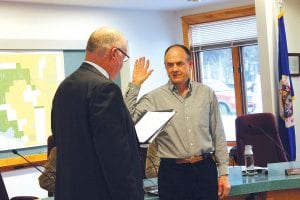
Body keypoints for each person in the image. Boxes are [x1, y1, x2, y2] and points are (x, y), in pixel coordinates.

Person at [125, 44, 231, 200]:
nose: (174, 68)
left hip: (204, 169)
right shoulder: (154, 97)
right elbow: (127, 119)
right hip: (172, 173)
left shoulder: (206, 93)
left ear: (190, 65)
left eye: (179, 63)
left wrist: (223, 173)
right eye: (170, 65)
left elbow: (218, 134)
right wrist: (135, 84)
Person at [51, 27, 143, 200]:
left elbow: (59, 138)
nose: (122, 64)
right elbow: (116, 158)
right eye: (124, 58)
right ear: (115, 53)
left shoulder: (64, 87)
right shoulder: (105, 89)